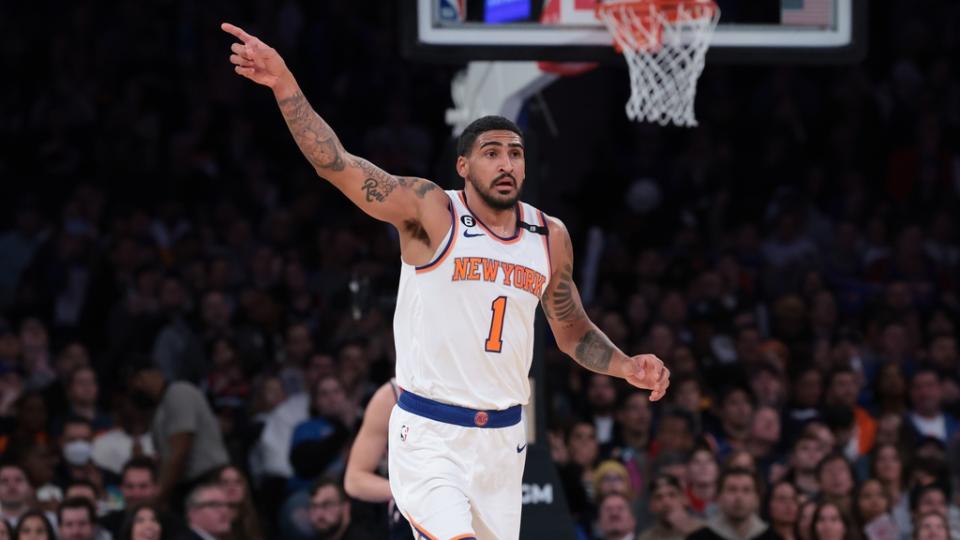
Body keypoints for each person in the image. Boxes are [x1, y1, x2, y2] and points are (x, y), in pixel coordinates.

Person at [220, 21, 670, 540]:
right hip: (429, 433)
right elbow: (337, 165)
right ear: (464, 165)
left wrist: (625, 365)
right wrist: (284, 85)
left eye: (515, 153)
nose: (506, 163)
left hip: (503, 442)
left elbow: (572, 332)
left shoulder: (551, 235)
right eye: (492, 152)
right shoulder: (433, 211)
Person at [343, 380, 412, 540]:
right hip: (412, 512)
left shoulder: (477, 383)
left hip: (474, 499)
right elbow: (355, 480)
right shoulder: (392, 395)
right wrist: (411, 493)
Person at [687, 467, 778, 540]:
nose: (739, 497)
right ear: (719, 498)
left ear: (757, 499)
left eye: (746, 490)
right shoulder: (699, 538)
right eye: (732, 490)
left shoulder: (772, 537)